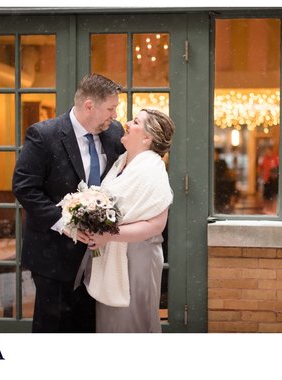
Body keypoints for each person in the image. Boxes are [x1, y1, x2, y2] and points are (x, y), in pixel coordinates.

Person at [12, 74, 125, 333]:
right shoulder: (44, 135)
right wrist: (64, 222)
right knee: (53, 329)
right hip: (53, 255)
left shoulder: (114, 133)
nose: (114, 114)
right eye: (110, 108)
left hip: (100, 259)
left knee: (88, 329)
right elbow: (24, 187)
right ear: (88, 106)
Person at [78, 109, 175, 333]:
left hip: (138, 257)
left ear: (148, 137)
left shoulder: (152, 168)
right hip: (111, 255)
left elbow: (156, 224)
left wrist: (108, 234)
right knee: (112, 324)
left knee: (132, 322)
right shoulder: (122, 162)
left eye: (136, 121)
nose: (127, 123)